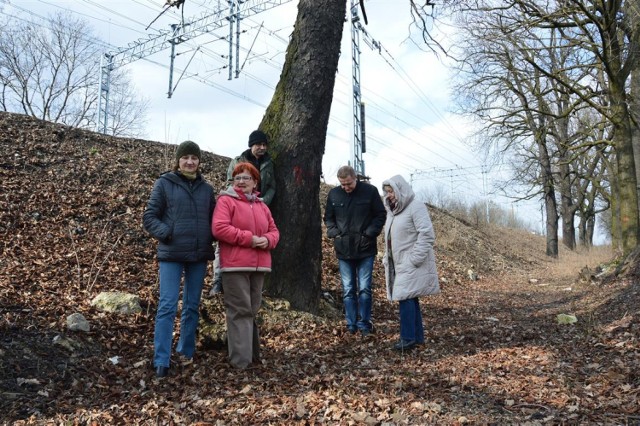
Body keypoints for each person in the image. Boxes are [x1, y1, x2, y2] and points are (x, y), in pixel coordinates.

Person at [143, 140, 216, 378]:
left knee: (192, 306)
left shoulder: (207, 189)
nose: (190, 161)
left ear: (199, 162)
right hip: (172, 254)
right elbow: (150, 217)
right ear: (178, 160)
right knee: (167, 305)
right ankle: (161, 359)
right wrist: (168, 233)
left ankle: (186, 351)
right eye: (185, 157)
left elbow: (216, 220)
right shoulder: (164, 183)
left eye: (194, 157)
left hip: (198, 255)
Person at [212, 162, 279, 369]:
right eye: (237, 178)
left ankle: (252, 356)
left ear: (255, 182)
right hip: (235, 265)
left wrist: (267, 240)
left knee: (251, 310)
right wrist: (249, 239)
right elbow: (219, 228)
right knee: (240, 310)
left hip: (259, 266)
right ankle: (241, 362)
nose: (241, 182)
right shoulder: (226, 201)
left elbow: (274, 231)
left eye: (246, 178)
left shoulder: (262, 206)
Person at [324, 165, 387, 336]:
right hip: (343, 249)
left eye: (348, 184)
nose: (346, 187)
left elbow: (380, 214)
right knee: (348, 289)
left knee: (365, 288)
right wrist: (334, 232)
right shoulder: (334, 194)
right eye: (342, 184)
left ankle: (364, 323)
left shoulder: (370, 191)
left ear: (355, 178)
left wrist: (370, 233)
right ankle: (351, 324)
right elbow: (328, 217)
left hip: (366, 248)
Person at [211, 129, 276, 294]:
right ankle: (218, 280)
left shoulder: (269, 162)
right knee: (228, 242)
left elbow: (272, 187)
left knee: (258, 240)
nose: (262, 148)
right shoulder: (238, 160)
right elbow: (230, 181)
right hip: (238, 205)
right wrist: (238, 199)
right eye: (258, 144)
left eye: (264, 145)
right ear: (251, 145)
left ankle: (255, 279)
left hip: (259, 205)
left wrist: (262, 203)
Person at [381, 175, 440, 351]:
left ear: (400, 190)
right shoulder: (393, 212)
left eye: (391, 191)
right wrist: (387, 257)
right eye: (387, 192)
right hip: (398, 262)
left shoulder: (416, 206)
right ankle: (417, 338)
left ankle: (407, 339)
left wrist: (414, 258)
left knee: (405, 297)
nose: (389, 195)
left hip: (410, 262)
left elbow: (427, 234)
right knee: (410, 298)